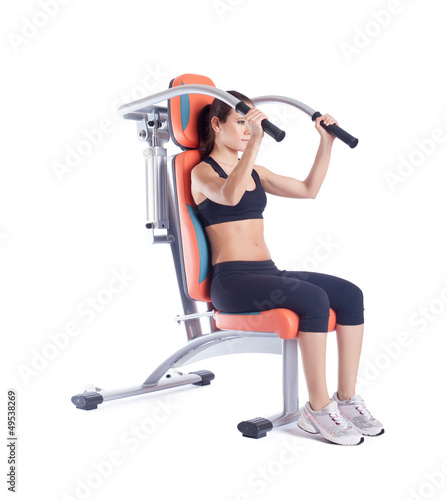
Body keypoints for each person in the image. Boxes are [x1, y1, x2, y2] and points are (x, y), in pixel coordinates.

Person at [191, 91, 384, 446]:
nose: (249, 130)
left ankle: (346, 398)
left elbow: (309, 190)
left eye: (251, 124)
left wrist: (325, 143)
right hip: (232, 280)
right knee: (313, 299)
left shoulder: (257, 172)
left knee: (348, 294)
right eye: (241, 123)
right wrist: (256, 144)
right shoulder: (201, 173)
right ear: (217, 125)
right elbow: (230, 196)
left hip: (267, 271)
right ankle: (318, 407)